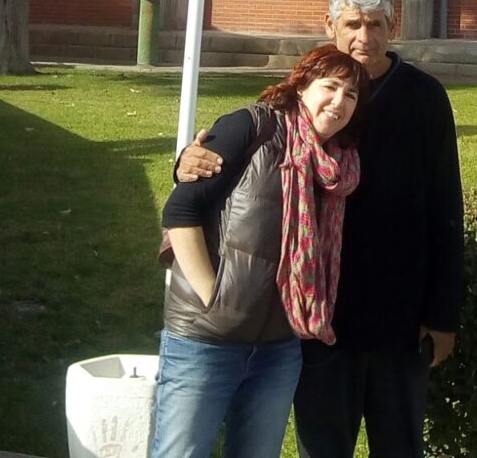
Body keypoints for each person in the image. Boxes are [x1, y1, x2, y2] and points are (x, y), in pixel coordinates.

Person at [177, 0, 464, 458]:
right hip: (319, 320)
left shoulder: (425, 97)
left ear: (392, 28)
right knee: (324, 447)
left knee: (400, 447)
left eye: (375, 24)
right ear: (329, 25)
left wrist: (442, 314)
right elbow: (237, 155)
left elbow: (446, 208)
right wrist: (185, 161)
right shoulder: (308, 101)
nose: (363, 37)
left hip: (401, 320)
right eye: (352, 23)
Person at [151, 44, 369, 458]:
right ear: (301, 86)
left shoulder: (340, 168)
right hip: (206, 339)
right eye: (331, 86)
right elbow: (181, 211)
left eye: (352, 95)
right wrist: (212, 297)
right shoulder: (253, 127)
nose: (339, 101)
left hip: (279, 349)